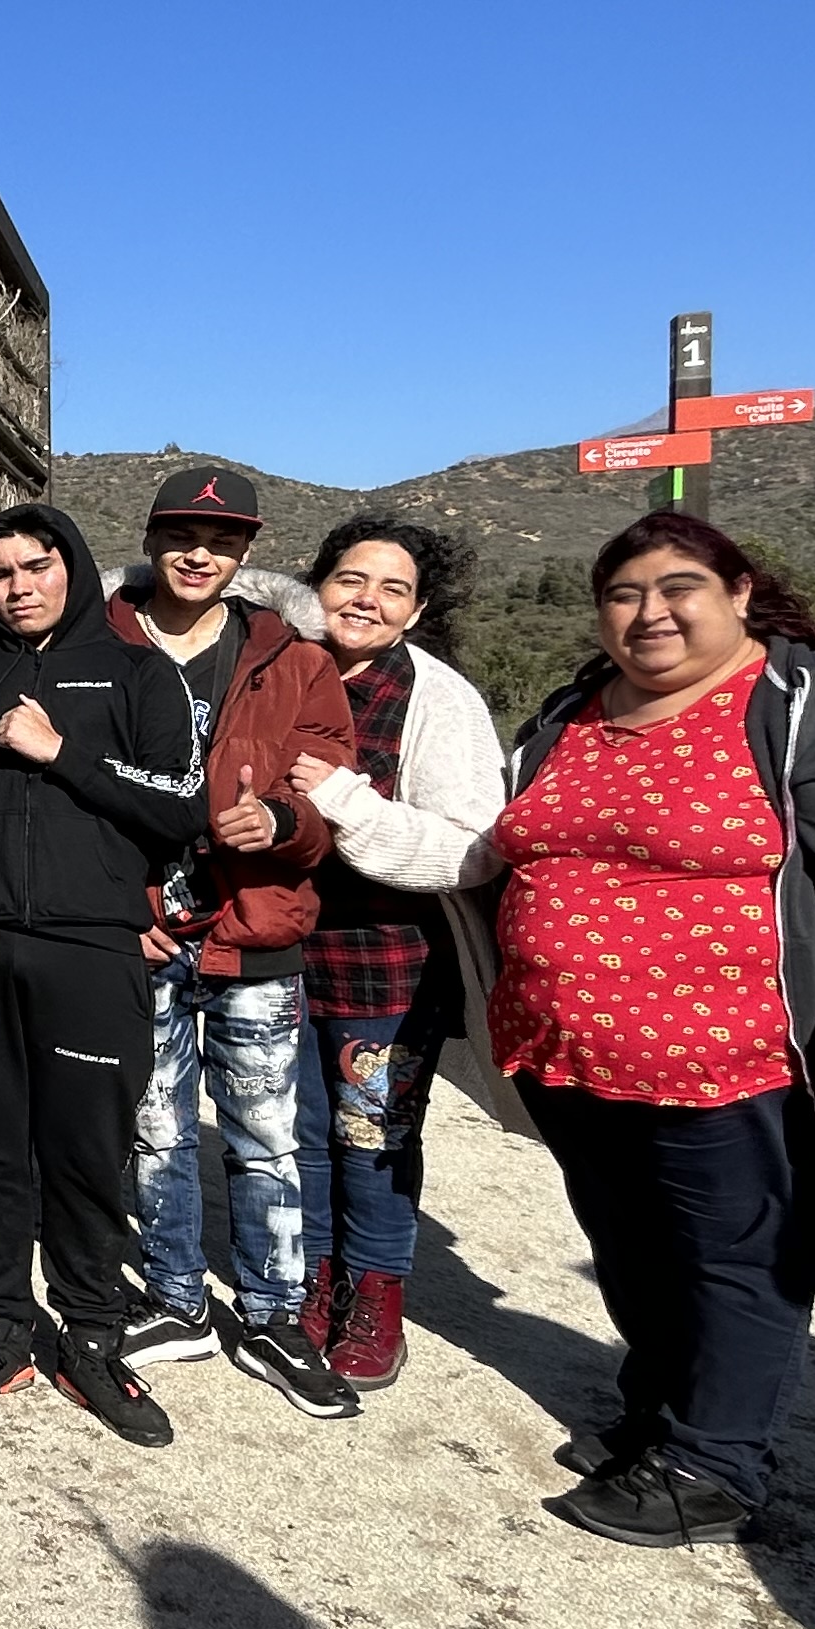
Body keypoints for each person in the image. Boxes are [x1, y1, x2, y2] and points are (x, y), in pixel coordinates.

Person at [482, 514, 815, 1547]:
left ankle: (714, 1463)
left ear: (740, 594)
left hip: (739, 1065)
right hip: (570, 1057)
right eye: (624, 594)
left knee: (735, 1261)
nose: (649, 612)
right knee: (635, 1249)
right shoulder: (574, 712)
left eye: (678, 588)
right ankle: (659, 1414)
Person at [0, 501, 204, 1443]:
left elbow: (180, 808)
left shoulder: (140, 675)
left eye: (37, 567)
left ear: (73, 566)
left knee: (85, 1154)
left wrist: (63, 752)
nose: (18, 588)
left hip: (91, 948)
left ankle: (94, 1339)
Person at [103, 465, 363, 1418]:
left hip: (255, 927)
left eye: (221, 541)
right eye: (181, 535)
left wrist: (282, 821)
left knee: (266, 1136)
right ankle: (176, 1298)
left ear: (247, 552)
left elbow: (330, 787)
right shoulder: (100, 641)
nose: (198, 554)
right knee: (156, 1129)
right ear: (151, 538)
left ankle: (272, 1316)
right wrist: (112, 904)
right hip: (142, 930)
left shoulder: (294, 660)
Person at [281, 516, 505, 1393]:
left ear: (416, 611)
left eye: (392, 589)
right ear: (318, 586)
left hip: (385, 966)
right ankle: (313, 1277)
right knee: (295, 1129)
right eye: (350, 579)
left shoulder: (436, 699)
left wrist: (345, 801)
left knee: (371, 1135)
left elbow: (471, 850)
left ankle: (376, 1293)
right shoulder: (285, 669)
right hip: (276, 950)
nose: (366, 600)